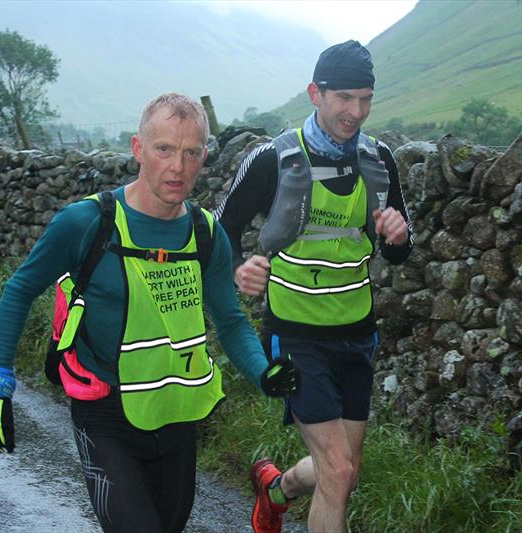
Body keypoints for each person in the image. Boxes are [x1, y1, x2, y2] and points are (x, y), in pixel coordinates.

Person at [0, 92, 300, 533]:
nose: (178, 167)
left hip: (177, 413)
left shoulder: (207, 234)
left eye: (191, 152)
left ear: (205, 155)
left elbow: (232, 321)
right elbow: (20, 289)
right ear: (138, 149)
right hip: (104, 410)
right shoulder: (86, 222)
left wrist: (264, 374)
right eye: (164, 149)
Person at [214, 40, 413, 533]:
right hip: (295, 335)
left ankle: (275, 489)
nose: (356, 111)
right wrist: (239, 268)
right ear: (315, 93)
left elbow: (397, 248)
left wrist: (397, 236)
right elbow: (218, 231)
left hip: (357, 331)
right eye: (345, 97)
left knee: (345, 471)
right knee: (338, 469)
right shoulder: (273, 159)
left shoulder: (378, 158)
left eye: (365, 98)